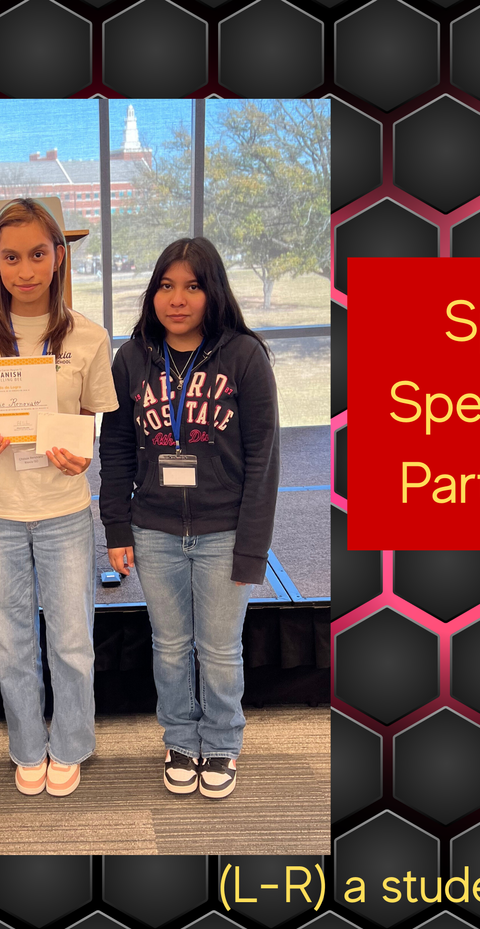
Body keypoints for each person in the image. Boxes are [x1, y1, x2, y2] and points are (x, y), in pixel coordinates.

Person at [0, 198, 118, 798]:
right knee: (11, 638)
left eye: (38, 255)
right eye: (11, 257)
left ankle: (71, 742)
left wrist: (83, 451)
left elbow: (95, 419)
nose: (25, 270)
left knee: (72, 639)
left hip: (65, 510)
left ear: (59, 257)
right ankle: (26, 745)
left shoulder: (90, 337)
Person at [99, 237, 280, 798]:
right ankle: (180, 738)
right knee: (170, 645)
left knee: (221, 648)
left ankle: (222, 743)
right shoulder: (131, 359)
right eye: (166, 286)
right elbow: (118, 451)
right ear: (153, 292)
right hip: (153, 530)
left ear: (213, 292)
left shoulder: (244, 357)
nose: (177, 299)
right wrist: (117, 527)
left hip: (224, 530)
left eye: (193, 287)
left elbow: (263, 459)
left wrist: (252, 548)